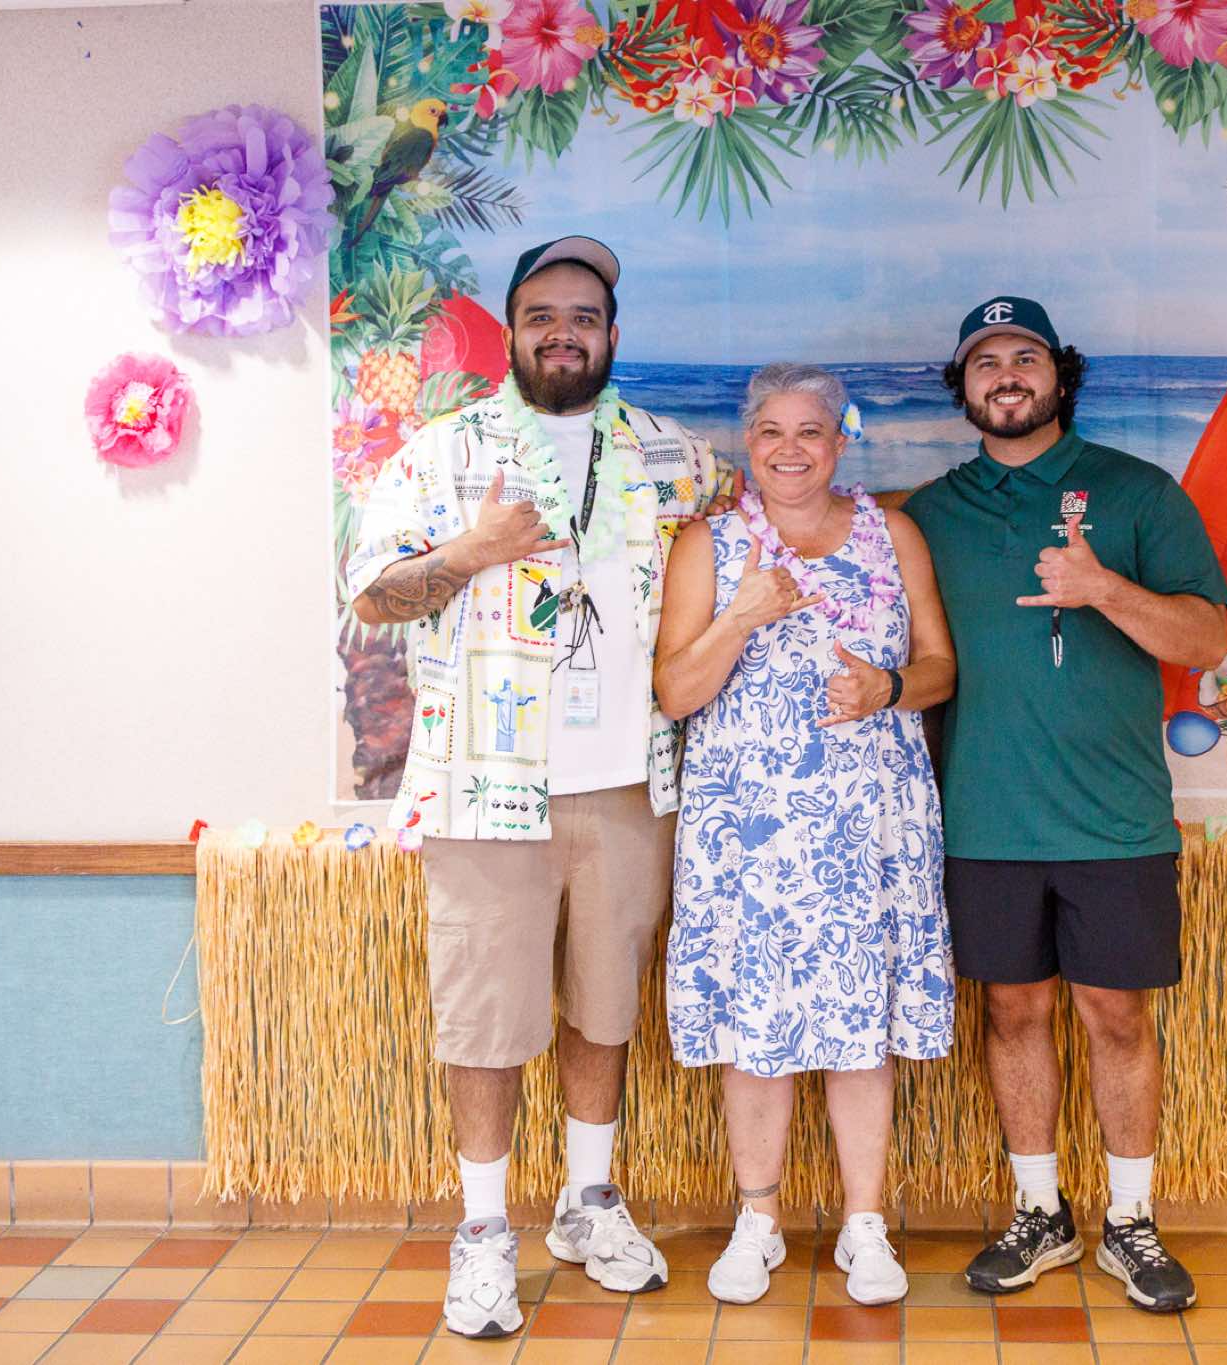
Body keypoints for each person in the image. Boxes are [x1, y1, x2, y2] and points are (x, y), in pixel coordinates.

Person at [345, 236, 730, 1339]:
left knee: (605, 1004)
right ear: (513, 331)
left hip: (630, 784)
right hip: (484, 783)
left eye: (584, 316)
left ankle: (588, 1202)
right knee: (485, 1015)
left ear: (612, 333)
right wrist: (470, 551)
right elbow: (371, 595)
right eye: (542, 315)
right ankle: (481, 1232)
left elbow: (770, 518)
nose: (564, 332)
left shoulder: (672, 455)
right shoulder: (437, 454)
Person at [901, 297, 1227, 1314]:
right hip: (982, 815)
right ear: (962, 387)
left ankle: (1130, 1221)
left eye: (1024, 356)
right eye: (984, 361)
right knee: (1012, 1010)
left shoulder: (1137, 493)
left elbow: (1205, 642)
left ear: (1059, 375)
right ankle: (1039, 1211)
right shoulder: (927, 515)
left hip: (1113, 818)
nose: (1005, 374)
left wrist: (1104, 589)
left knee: (1115, 1014)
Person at [653, 364, 958, 1307]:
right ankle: (758, 1220)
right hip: (751, 828)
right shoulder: (709, 544)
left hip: (867, 821)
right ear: (749, 442)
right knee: (757, 1022)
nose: (791, 449)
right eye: (772, 431)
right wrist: (740, 616)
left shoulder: (891, 533)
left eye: (811, 430)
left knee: (861, 1022)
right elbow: (676, 693)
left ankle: (865, 1224)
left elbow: (941, 667)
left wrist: (887, 687)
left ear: (840, 440)